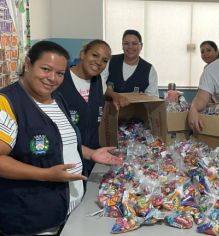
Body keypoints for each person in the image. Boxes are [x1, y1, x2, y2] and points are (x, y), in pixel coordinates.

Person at [0, 41, 119, 236]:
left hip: (66, 214)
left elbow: (62, 143)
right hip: (32, 220)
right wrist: (45, 174)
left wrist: (91, 153)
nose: (52, 78)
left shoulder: (56, 99)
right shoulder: (8, 102)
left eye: (60, 73)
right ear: (28, 65)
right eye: (46, 69)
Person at [57, 39, 111, 176]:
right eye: (94, 55)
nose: (99, 62)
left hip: (92, 157)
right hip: (65, 159)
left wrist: (115, 96)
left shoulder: (98, 81)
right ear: (82, 54)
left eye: (104, 60)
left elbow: (106, 93)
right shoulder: (60, 81)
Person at [104, 29, 159, 108]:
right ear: (122, 45)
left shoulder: (149, 70)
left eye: (134, 43)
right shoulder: (110, 61)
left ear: (141, 46)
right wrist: (114, 95)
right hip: (108, 112)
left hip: (135, 115)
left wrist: (143, 98)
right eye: (126, 43)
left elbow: (153, 99)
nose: (130, 47)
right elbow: (100, 85)